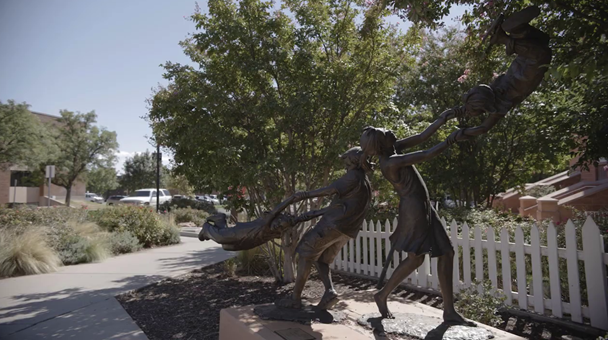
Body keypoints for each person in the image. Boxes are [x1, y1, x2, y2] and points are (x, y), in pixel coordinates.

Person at [360, 126, 474, 326]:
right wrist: (451, 139)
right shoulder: (390, 162)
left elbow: (422, 137)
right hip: (415, 211)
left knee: (446, 253)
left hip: (424, 207)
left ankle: (449, 311)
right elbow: (426, 154)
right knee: (416, 258)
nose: (389, 131)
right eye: (384, 133)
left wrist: (444, 118)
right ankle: (382, 294)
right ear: (380, 145)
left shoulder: (393, 148)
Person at [266, 146, 373, 310]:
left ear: (352, 160)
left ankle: (295, 299)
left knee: (305, 253)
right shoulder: (365, 181)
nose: (344, 165)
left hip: (333, 225)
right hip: (347, 230)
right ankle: (330, 292)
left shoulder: (352, 176)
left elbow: (329, 190)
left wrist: (304, 194)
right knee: (322, 260)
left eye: (345, 161)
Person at [452, 6, 552, 140]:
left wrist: (458, 127)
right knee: (536, 47)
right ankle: (505, 36)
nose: (468, 113)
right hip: (530, 60)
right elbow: (482, 126)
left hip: (529, 61)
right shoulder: (496, 100)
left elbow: (482, 127)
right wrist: (460, 130)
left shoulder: (497, 101)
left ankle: (510, 35)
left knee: (532, 39)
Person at [198, 211, 324, 251]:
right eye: (278, 223)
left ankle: (220, 221)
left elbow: (304, 218)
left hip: (248, 242)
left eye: (281, 227)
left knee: (226, 246)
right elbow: (305, 213)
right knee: (221, 238)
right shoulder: (268, 220)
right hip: (242, 232)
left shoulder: (275, 231)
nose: (278, 226)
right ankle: (206, 228)